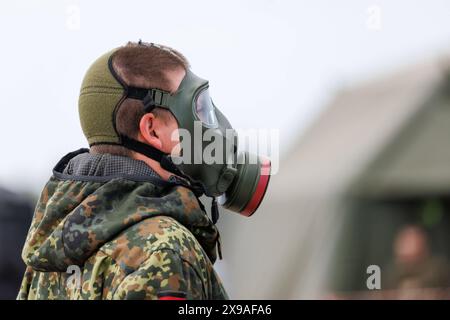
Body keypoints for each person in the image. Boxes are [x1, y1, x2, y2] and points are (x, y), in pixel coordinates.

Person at [18, 41, 272, 300]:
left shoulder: (48, 253)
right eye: (198, 110)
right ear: (151, 130)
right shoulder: (164, 251)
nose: (214, 126)